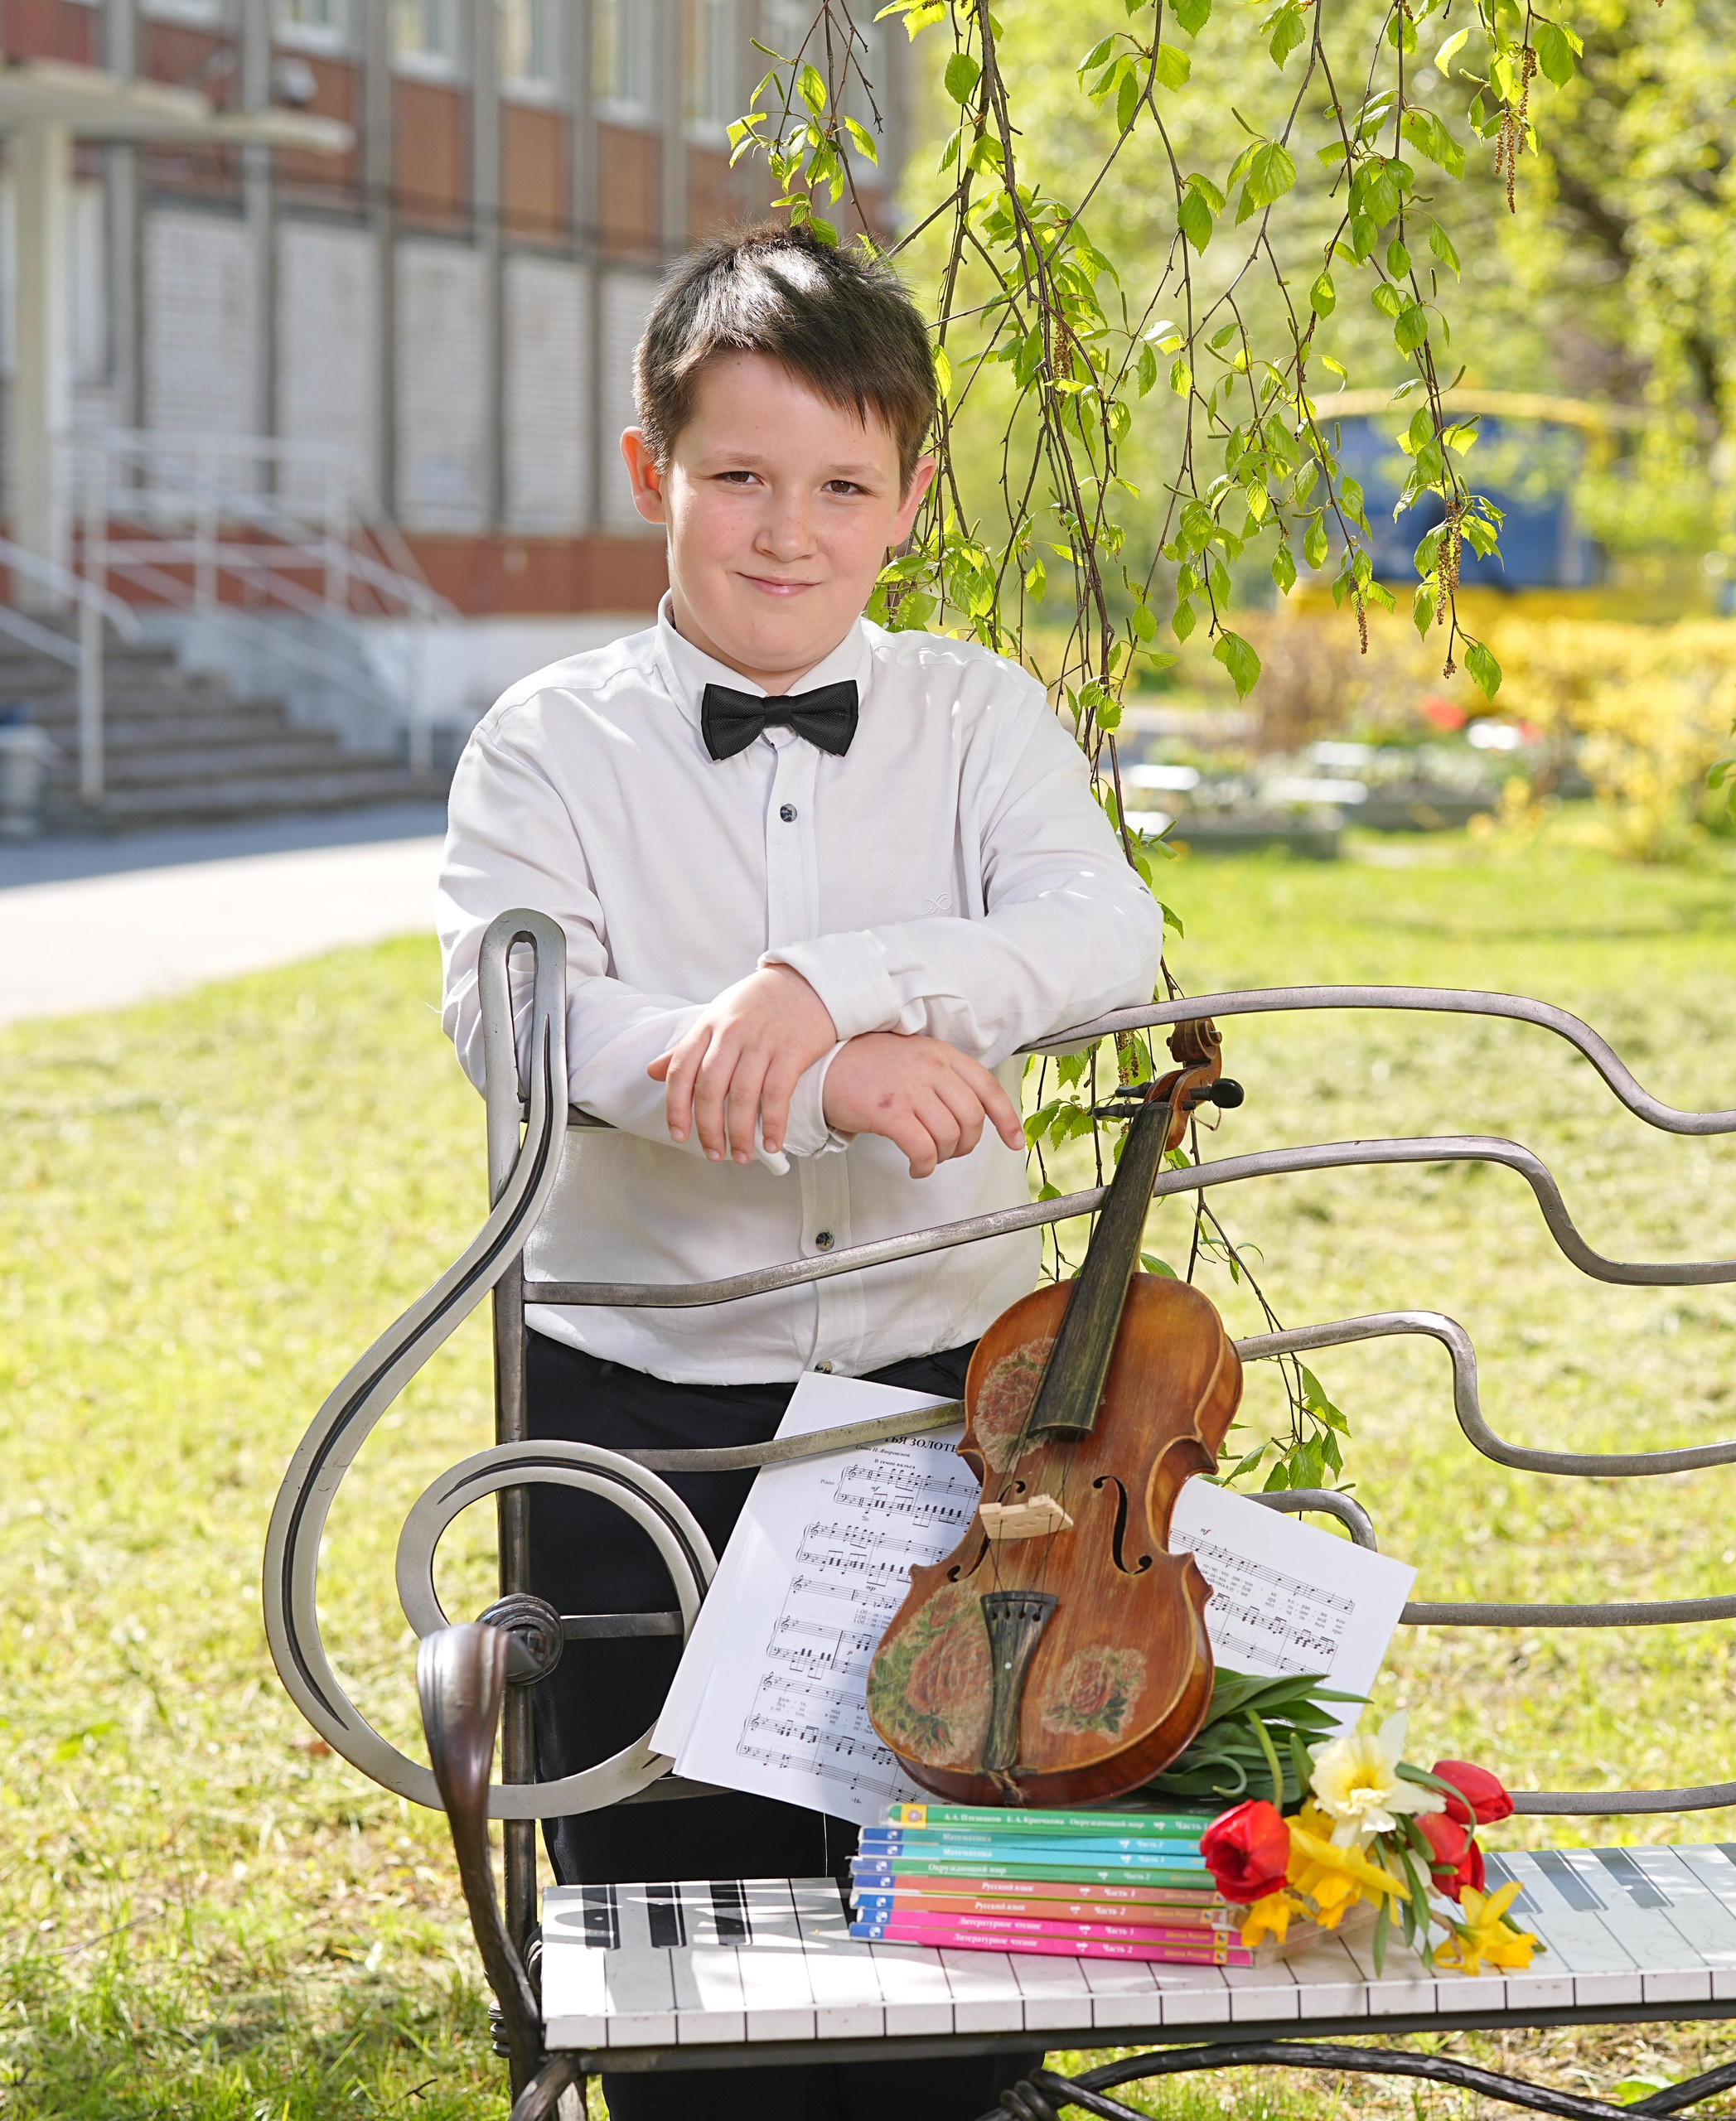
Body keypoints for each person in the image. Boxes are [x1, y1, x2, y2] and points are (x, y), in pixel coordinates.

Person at [436, 223, 1164, 2120]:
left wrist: (832, 976)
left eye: (841, 484)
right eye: (737, 475)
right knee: (681, 1923)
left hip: (951, 1411)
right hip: (640, 1416)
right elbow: (527, 1023)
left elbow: (1103, 929)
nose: (786, 530)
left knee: (947, 1895)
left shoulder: (977, 714)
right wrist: (818, 1074)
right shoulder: (544, 744)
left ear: (911, 498)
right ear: (647, 474)